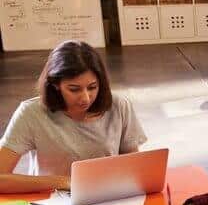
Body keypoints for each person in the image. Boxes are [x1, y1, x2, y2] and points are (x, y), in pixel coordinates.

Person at [0, 40, 146, 194]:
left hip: (106, 197)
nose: (86, 98)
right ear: (56, 84)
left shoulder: (119, 106)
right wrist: (63, 181)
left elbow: (133, 168)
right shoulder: (31, 113)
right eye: (74, 89)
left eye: (92, 87)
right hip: (52, 201)